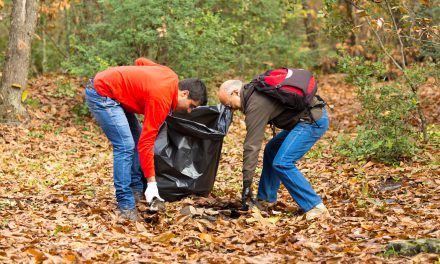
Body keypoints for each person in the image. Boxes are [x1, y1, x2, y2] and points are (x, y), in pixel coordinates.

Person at [85, 58, 208, 221]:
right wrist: (152, 184)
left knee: (134, 140)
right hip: (101, 92)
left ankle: (136, 190)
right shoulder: (161, 99)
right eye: (191, 105)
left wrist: (134, 85)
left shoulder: (170, 76)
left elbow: (140, 61)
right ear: (184, 93)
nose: (190, 111)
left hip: (114, 91)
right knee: (125, 146)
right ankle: (125, 206)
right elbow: (147, 143)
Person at [218, 75, 330, 221]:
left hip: (312, 121)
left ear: (235, 92)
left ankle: (316, 207)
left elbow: (251, 146)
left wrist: (247, 185)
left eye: (229, 105)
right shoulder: (254, 91)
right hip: (303, 119)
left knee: (282, 162)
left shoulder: (255, 104)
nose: (231, 110)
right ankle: (266, 199)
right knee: (272, 149)